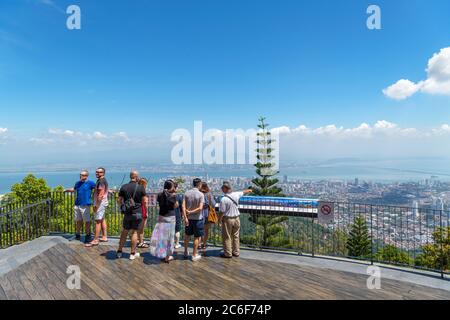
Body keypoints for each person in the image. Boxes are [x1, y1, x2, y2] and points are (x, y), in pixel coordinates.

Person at [116, 171, 148, 260]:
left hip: (127, 213)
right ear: (137, 177)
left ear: (130, 177)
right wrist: (145, 210)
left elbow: (119, 200)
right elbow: (145, 201)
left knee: (125, 232)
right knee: (134, 232)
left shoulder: (124, 187)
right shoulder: (141, 187)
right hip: (138, 212)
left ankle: (119, 251)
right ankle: (132, 253)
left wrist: (123, 206)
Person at [218, 182, 252, 258]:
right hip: (237, 218)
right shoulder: (236, 194)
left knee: (227, 237)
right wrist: (250, 190)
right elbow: (244, 192)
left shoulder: (223, 199)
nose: (222, 190)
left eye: (222, 188)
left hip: (228, 219)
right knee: (236, 236)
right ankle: (236, 252)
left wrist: (219, 220)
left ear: (226, 188)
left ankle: (228, 253)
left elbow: (222, 212)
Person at [149, 180, 179, 263]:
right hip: (170, 218)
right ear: (171, 187)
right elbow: (176, 205)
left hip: (161, 217)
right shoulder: (173, 196)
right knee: (170, 238)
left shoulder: (159, 195)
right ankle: (167, 256)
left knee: (162, 237)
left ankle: (162, 253)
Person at [64, 170, 96, 243]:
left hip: (85, 205)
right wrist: (66, 189)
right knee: (78, 221)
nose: (82, 176)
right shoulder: (77, 183)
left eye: (84, 175)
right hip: (77, 204)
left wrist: (109, 190)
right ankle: (77, 235)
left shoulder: (90, 183)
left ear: (87, 175)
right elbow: (74, 189)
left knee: (87, 221)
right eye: (81, 175)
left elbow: (98, 188)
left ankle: (88, 236)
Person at [182, 178, 204, 261]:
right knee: (196, 237)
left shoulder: (186, 193)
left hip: (188, 219)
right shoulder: (201, 194)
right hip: (197, 219)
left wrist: (185, 216)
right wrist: (191, 212)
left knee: (187, 236)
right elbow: (200, 208)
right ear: (199, 184)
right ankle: (194, 254)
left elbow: (183, 206)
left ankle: (185, 252)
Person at [86, 167, 109, 247]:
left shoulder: (101, 181)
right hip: (103, 203)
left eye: (99, 172)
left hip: (100, 203)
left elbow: (100, 195)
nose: (97, 173)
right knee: (102, 219)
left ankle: (95, 240)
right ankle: (104, 236)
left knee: (98, 221)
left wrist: (96, 205)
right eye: (96, 172)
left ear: (103, 173)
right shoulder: (102, 180)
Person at [200, 182, 216, 251]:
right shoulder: (209, 194)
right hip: (206, 214)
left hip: (198, 214)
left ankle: (199, 243)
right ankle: (204, 244)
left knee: (200, 230)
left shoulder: (199, 194)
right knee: (206, 230)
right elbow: (213, 204)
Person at [137, 178, 149, 249]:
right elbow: (145, 202)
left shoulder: (136, 191)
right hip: (143, 210)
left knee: (138, 227)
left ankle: (140, 240)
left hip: (137, 210)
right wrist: (147, 212)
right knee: (142, 228)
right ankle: (141, 242)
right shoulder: (143, 192)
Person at [173, 181, 183, 249]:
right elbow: (181, 207)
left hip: (167, 215)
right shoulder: (178, 197)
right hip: (177, 215)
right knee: (177, 230)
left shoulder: (166, 196)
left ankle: (170, 243)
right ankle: (177, 243)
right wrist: (182, 215)